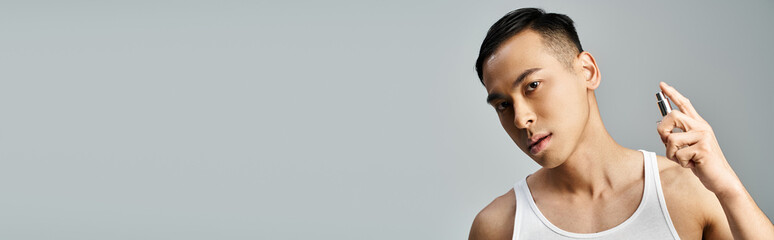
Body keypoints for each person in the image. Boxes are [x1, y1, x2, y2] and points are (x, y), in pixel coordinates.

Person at [467, 8, 774, 240]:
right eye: (503, 105)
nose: (521, 119)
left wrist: (728, 188)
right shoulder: (500, 226)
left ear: (587, 71)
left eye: (532, 86)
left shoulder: (687, 191)